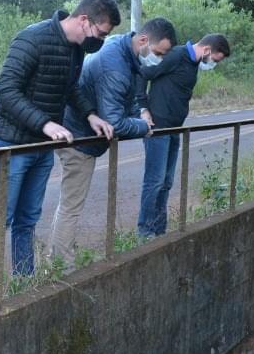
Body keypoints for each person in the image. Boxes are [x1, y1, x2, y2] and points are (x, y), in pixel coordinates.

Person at [0, 0, 120, 290]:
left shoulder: (76, 48)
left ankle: (24, 284)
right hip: (11, 145)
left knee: (28, 219)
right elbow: (5, 90)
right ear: (84, 20)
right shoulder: (32, 39)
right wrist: (46, 123)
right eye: (101, 33)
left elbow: (70, 88)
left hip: (43, 145)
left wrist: (90, 114)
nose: (101, 40)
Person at [49, 17, 177, 261]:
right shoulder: (115, 67)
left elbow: (123, 102)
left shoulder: (122, 50)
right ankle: (60, 265)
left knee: (69, 203)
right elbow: (115, 122)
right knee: (71, 205)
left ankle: (56, 257)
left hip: (80, 132)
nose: (158, 60)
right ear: (143, 40)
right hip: (80, 137)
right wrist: (142, 126)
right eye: (158, 53)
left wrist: (137, 116)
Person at [136, 33, 232, 237]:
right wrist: (143, 108)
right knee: (155, 180)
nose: (213, 64)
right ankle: (144, 231)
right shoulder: (177, 55)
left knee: (167, 181)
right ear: (207, 50)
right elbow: (143, 73)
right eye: (215, 59)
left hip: (175, 129)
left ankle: (158, 230)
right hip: (158, 127)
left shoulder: (193, 62)